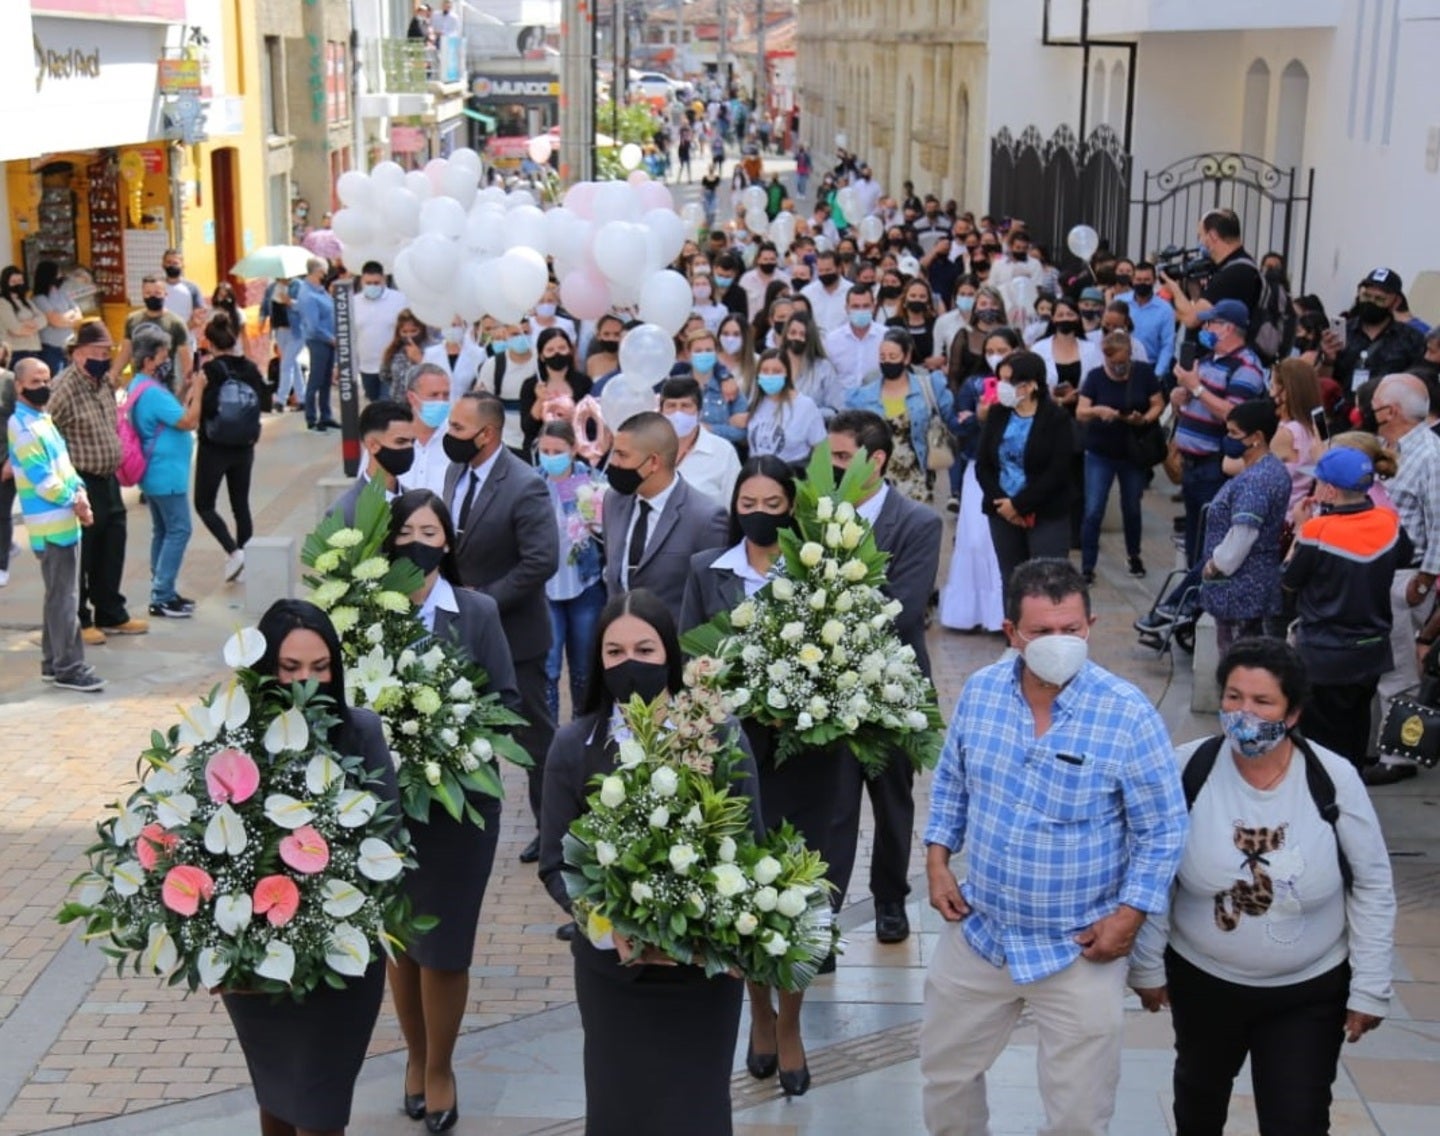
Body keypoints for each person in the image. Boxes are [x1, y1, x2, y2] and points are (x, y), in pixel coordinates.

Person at [922, 558, 1188, 1136]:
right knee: (945, 1078)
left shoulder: (1126, 714)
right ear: (1011, 632)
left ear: (1090, 624)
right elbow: (952, 782)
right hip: (982, 933)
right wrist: (938, 859)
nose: (1059, 644)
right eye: (1042, 632)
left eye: (1072, 630)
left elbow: (1164, 829)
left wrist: (1129, 915)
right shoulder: (981, 693)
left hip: (1079, 946)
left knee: (1077, 1115)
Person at [1129, 638, 1394, 1136]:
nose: (1243, 713)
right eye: (1233, 697)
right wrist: (1145, 963)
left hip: (1308, 991)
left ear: (1292, 713)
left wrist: (1371, 988)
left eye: (1262, 701)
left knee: (1298, 1118)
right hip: (1203, 983)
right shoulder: (1187, 769)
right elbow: (1153, 873)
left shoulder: (1333, 779)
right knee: (1199, 1106)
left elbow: (1373, 883)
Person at [539, 590, 762, 1134]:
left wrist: (707, 926)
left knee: (696, 1109)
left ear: (670, 656)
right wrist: (610, 924)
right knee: (622, 1109)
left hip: (702, 973)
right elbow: (554, 864)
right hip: (614, 975)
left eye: (645, 648)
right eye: (615, 653)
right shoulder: (573, 747)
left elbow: (752, 844)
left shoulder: (719, 736)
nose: (630, 663)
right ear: (598, 661)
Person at [223, 599, 398, 1136]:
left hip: (340, 950)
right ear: (265, 670)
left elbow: (389, 838)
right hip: (260, 951)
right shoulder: (234, 738)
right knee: (276, 1089)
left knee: (321, 1103)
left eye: (320, 668)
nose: (307, 682)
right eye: (291, 669)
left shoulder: (361, 731)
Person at [380, 489, 518, 1133]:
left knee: (447, 948)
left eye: (430, 530)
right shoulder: (367, 611)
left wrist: (456, 735)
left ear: (448, 542)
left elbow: (505, 697)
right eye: (407, 529)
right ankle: (414, 1058)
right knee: (402, 941)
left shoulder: (477, 610)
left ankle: (441, 1067)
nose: (418, 540)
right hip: (383, 807)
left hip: (460, 805)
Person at [829, 411, 943, 944]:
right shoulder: (818, 514)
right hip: (826, 685)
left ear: (875, 460)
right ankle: (821, 907)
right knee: (832, 805)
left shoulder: (918, 522)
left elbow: (905, 605)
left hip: (893, 685)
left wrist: (826, 620)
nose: (829, 468)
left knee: (892, 800)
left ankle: (891, 899)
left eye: (840, 458)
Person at [442, 391, 559, 859]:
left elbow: (540, 561)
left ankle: (551, 831)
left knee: (534, 738)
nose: (448, 436)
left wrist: (483, 604)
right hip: (463, 637)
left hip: (517, 638)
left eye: (456, 428)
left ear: (486, 434)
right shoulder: (456, 471)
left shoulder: (525, 484)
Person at [1283, 447, 1411, 770]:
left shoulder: (1317, 531)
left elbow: (1289, 581)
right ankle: (1353, 800)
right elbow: (1406, 556)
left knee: (1320, 749)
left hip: (1324, 654)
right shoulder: (1388, 522)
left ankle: (1328, 808)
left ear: (1329, 490)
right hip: (1370, 651)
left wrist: (1300, 529)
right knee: (1355, 730)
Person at [46, 321, 147, 642]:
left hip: (109, 478)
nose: (103, 358)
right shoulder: (62, 388)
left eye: (106, 352)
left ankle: (111, 611)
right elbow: (46, 431)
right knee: (83, 552)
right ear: (77, 353)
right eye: (96, 352)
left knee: (112, 545)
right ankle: (79, 618)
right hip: (81, 479)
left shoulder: (103, 382)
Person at [7, 358, 103, 691]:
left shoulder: (43, 420)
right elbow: (43, 479)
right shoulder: (22, 427)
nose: (43, 386)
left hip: (64, 521)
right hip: (50, 526)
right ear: (19, 386)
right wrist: (75, 500)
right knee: (65, 599)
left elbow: (65, 466)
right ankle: (69, 666)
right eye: (36, 381)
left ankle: (53, 662)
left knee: (58, 596)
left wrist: (80, 493)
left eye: (47, 378)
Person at [1368, 372, 1440, 784]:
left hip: (1406, 577)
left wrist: (1425, 580)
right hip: (1380, 573)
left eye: (1376, 403)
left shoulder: (1430, 456)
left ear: (1390, 410)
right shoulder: (1386, 447)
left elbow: (1439, 523)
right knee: (1384, 669)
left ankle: (1399, 757)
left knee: (1399, 673)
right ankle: (1382, 746)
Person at [1170, 298, 1268, 566]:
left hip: (1214, 465)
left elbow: (1235, 416)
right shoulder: (1207, 360)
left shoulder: (1246, 367)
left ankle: (1202, 596)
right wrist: (1180, 397)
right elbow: (1195, 404)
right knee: (1192, 537)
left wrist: (1198, 389)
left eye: (1211, 323)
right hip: (1191, 465)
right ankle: (1191, 594)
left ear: (1228, 328)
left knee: (1208, 539)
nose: (1206, 327)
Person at [601, 411, 728, 610]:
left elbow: (713, 599)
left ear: (653, 462)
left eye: (622, 455)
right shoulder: (613, 501)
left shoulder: (705, 518)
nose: (613, 463)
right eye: (614, 452)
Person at [975, 352, 1074, 594]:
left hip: (1045, 512)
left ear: (1030, 386)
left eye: (1009, 381)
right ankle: (1013, 630)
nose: (1002, 387)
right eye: (1001, 380)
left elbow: (1057, 472)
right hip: (1002, 512)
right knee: (1012, 581)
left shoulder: (1056, 419)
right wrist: (1004, 505)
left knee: (1047, 582)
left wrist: (1019, 505)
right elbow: (984, 464)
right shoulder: (999, 413)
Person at [1197, 399, 1291, 653]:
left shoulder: (1256, 481)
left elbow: (1243, 533)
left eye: (1234, 433)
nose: (1228, 438)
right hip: (1250, 587)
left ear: (1257, 437)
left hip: (1240, 591)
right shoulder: (1269, 469)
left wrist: (1214, 565)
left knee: (1237, 660)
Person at [1076, 332, 1163, 581]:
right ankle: (1087, 566)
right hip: (1100, 451)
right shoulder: (1095, 377)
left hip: (1132, 452)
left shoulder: (1143, 373)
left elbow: (1157, 402)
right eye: (1113, 363)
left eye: (1123, 362)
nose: (1118, 368)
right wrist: (1097, 411)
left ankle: (1134, 555)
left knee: (1132, 507)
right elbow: (1081, 411)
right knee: (1093, 509)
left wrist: (1144, 418)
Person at [535, 420, 606, 723]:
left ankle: (582, 726)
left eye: (558, 451)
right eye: (545, 450)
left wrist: (596, 523)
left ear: (573, 450)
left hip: (583, 585)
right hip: (545, 588)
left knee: (583, 665)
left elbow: (606, 534)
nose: (551, 456)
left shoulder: (590, 482)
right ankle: (550, 734)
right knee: (549, 665)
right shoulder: (532, 483)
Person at [127, 329, 200, 619]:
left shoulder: (141, 385)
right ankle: (162, 596)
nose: (167, 361)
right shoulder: (152, 392)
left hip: (156, 472)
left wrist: (185, 391)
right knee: (180, 529)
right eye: (162, 356)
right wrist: (201, 391)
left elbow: (170, 412)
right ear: (148, 360)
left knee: (164, 530)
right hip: (165, 473)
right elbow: (187, 421)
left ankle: (162, 588)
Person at [193, 312, 269, 583]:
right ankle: (245, 560)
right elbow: (266, 401)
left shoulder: (209, 371)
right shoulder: (248, 367)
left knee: (204, 504)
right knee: (241, 505)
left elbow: (201, 409)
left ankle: (233, 551)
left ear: (209, 343)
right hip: (244, 446)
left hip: (213, 446)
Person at [844, 326, 956, 505]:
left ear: (906, 357)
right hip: (875, 479)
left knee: (915, 529)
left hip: (917, 478)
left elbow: (950, 418)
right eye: (883, 357)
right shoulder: (862, 397)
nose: (887, 362)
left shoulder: (928, 387)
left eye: (893, 357)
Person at [1323, 268, 1428, 394]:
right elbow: (1323, 382)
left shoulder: (1411, 339)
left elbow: (1420, 384)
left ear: (1396, 302)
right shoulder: (1342, 332)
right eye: (1366, 296)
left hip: (1385, 410)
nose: (1371, 303)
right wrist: (1328, 360)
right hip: (1342, 409)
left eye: (1379, 299)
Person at [1163, 208, 1262, 333]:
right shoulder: (1240, 265)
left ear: (1213, 235)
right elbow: (1207, 311)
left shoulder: (1233, 273)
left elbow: (1191, 319)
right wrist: (1194, 286)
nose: (1200, 242)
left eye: (1201, 235)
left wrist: (1173, 287)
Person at [659, 375, 741, 507]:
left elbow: (734, 504)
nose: (678, 413)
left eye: (685, 406)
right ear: (661, 411)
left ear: (700, 412)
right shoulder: (646, 447)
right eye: (671, 406)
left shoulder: (723, 452)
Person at [331, 399, 415, 524]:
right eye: (400, 442)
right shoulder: (345, 514)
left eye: (412, 441)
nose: (409, 448)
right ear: (372, 445)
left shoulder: (414, 503)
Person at [742, 349, 827, 469]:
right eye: (765, 371)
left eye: (776, 371)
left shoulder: (805, 406)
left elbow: (821, 449)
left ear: (787, 373)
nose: (770, 376)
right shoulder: (755, 402)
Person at [114, 275, 192, 394]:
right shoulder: (132, 320)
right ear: (142, 294)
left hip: (166, 389)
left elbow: (186, 360)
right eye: (148, 293)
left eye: (157, 293)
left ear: (165, 294)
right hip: (139, 389)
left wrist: (187, 390)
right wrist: (113, 374)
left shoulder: (176, 323)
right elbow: (126, 352)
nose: (152, 296)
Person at [524, 328, 592, 455]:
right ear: (541, 356)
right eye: (550, 350)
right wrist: (540, 400)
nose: (557, 353)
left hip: (575, 454)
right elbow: (527, 428)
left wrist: (573, 415)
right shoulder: (531, 385)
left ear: (570, 351)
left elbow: (590, 424)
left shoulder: (584, 382)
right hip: (540, 455)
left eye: (562, 348)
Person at [475, 323, 538, 456]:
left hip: (538, 441)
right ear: (506, 334)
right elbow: (483, 405)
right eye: (515, 334)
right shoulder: (493, 365)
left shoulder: (540, 362)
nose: (521, 337)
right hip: (505, 442)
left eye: (526, 333)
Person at [353, 261, 408, 402]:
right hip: (366, 366)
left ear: (384, 280)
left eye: (376, 283)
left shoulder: (399, 300)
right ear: (361, 281)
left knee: (386, 404)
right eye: (368, 283)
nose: (372, 286)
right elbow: (349, 336)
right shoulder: (353, 303)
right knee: (374, 402)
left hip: (391, 365)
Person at [295, 257, 339, 431]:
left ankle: (326, 415)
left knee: (326, 380)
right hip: (319, 342)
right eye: (324, 271)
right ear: (317, 271)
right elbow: (313, 326)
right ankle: (312, 417)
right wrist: (330, 338)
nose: (326, 274)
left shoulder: (321, 291)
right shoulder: (307, 295)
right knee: (316, 379)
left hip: (329, 341)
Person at [778, 312, 848, 419]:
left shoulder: (823, 368)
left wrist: (808, 413)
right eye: (793, 333)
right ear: (786, 334)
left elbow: (837, 410)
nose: (796, 338)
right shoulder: (773, 363)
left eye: (802, 334)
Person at [1113, 262, 1175, 379]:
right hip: (1119, 366)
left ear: (1154, 281)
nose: (1142, 283)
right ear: (1132, 280)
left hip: (1149, 367)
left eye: (1146, 280)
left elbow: (1167, 345)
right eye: (1139, 279)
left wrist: (1157, 374)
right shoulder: (1119, 302)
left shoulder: (1165, 309)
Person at [824, 284, 885, 391]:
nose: (861, 311)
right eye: (855, 306)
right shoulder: (832, 340)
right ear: (847, 308)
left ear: (873, 307)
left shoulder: (885, 336)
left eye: (866, 306)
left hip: (878, 400)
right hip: (843, 403)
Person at [30, 261, 82, 376]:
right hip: (51, 349)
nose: (60, 277)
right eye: (57, 274)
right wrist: (69, 316)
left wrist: (64, 318)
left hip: (69, 346)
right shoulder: (39, 299)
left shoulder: (62, 294)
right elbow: (55, 321)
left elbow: (79, 315)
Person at [262, 277, 303, 410]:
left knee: (286, 363)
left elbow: (304, 306)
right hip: (280, 329)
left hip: (296, 330)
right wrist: (262, 318)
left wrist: (290, 302)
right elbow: (265, 305)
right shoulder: (272, 287)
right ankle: (302, 399)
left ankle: (281, 399)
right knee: (292, 364)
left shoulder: (298, 286)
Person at [0, 266, 44, 365]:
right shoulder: (3, 303)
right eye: (13, 281)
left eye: (20, 280)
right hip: (16, 353)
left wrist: (30, 324)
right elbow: (16, 329)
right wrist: (34, 327)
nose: (17, 284)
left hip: (34, 351)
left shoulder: (27, 301)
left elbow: (43, 319)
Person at [800, 250, 852, 333]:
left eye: (828, 270)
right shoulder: (807, 293)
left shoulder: (851, 291)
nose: (824, 274)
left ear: (838, 269)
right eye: (821, 271)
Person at [160, 248, 206, 332]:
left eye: (175, 263)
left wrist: (181, 331)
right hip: (162, 340)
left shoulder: (193, 288)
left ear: (182, 265)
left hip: (186, 339)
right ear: (163, 264)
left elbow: (200, 316)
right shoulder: (157, 287)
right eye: (169, 262)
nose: (172, 266)